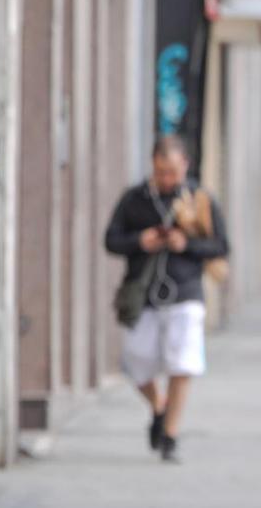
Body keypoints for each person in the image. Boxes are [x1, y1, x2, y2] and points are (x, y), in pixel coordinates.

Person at [104, 135, 229, 462]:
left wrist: (184, 245)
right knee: (135, 360)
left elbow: (221, 246)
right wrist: (139, 241)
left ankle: (170, 436)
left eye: (172, 172)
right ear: (152, 167)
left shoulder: (200, 199)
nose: (167, 179)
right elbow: (111, 240)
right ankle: (159, 406)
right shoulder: (135, 199)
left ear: (184, 165)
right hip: (144, 295)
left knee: (182, 363)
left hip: (185, 292)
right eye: (161, 172)